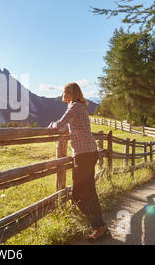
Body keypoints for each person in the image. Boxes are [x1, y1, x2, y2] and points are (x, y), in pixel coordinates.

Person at [48, 82, 110, 242]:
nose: (62, 94)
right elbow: (70, 126)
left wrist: (52, 125)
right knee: (89, 191)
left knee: (77, 194)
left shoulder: (74, 107)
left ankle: (98, 226)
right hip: (90, 152)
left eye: (64, 92)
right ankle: (100, 227)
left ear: (71, 94)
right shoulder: (81, 106)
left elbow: (60, 125)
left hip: (83, 155)